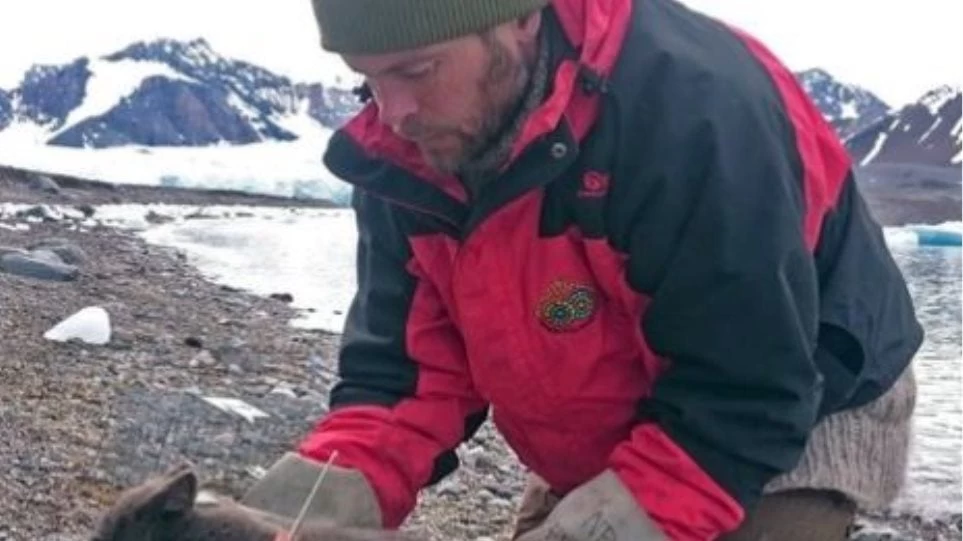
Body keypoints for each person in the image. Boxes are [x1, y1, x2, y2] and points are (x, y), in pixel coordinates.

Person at [241, 0, 924, 539]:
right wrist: (298, 509)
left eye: (416, 71)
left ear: (516, 17)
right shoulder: (407, 150)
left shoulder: (692, 113)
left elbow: (744, 397)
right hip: (608, 406)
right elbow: (405, 375)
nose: (393, 114)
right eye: (367, 79)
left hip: (796, 406)